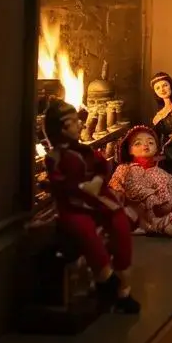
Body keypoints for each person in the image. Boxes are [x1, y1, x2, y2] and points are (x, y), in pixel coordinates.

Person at [42, 99, 141, 314]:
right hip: (74, 207)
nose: (80, 125)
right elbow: (60, 183)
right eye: (73, 122)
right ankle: (105, 278)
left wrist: (96, 181)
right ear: (60, 129)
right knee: (85, 230)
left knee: (120, 224)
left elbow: (102, 165)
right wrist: (80, 187)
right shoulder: (54, 157)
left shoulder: (84, 150)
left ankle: (124, 288)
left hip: (99, 200)